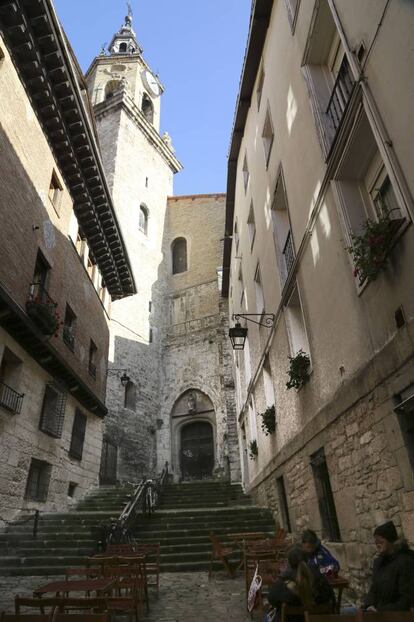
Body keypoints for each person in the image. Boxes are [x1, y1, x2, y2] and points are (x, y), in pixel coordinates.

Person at [267, 545, 335, 620]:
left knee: (267, 617)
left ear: (289, 563)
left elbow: (271, 599)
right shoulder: (320, 578)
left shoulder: (283, 582)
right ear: (307, 559)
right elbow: (331, 599)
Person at [363, 520, 414, 612]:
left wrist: (381, 611)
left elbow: (406, 599)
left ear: (391, 541)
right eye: (376, 542)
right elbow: (373, 589)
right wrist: (369, 605)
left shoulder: (405, 562)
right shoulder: (378, 563)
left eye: (381, 541)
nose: (377, 544)